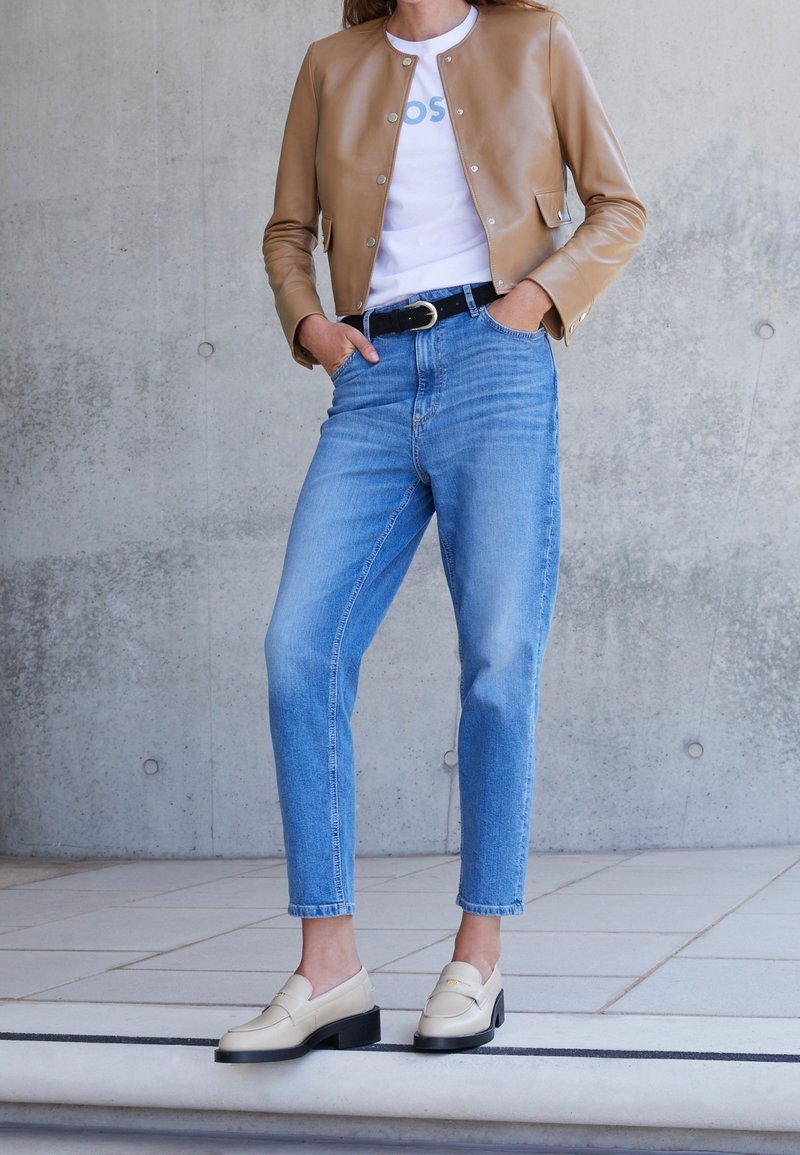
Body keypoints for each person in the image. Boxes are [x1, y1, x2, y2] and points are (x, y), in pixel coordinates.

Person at [215, 0, 645, 1064]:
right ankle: (330, 971)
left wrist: (533, 297)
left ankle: (477, 955)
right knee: (297, 651)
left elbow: (617, 206)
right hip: (366, 382)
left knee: (498, 660)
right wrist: (308, 323)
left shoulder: (531, 40)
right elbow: (286, 229)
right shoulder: (331, 62)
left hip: (495, 370)